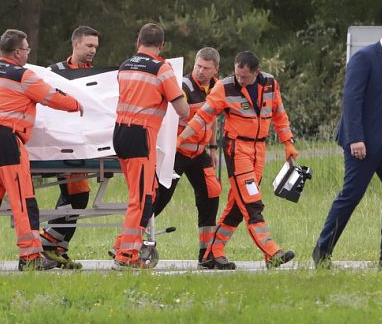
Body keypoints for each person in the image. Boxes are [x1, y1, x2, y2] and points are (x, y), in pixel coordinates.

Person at [0, 29, 84, 271]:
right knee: (24, 202)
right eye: (26, 49)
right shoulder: (23, 76)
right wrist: (76, 104)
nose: (28, 53)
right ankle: (30, 257)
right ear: (16, 52)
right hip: (7, 144)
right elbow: (51, 97)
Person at [180, 51, 297, 270]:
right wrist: (181, 138)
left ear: (256, 72)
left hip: (259, 149)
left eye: (244, 77)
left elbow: (279, 114)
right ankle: (271, 251)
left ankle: (212, 251)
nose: (239, 80)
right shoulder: (224, 87)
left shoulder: (270, 84)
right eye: (236, 75)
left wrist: (288, 142)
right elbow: (203, 116)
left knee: (237, 206)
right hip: (237, 150)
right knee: (252, 202)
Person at [313, 11, 382, 268]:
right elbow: (352, 99)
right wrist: (356, 138)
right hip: (363, 142)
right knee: (351, 196)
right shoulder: (364, 58)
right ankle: (322, 252)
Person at [112, 23, 190, 269]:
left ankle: (124, 243)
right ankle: (125, 256)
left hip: (120, 134)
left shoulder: (125, 66)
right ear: (162, 45)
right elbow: (182, 110)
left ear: (138, 42)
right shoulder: (161, 69)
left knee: (147, 191)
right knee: (142, 199)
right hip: (141, 136)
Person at [152, 47, 223, 267]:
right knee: (160, 195)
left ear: (215, 69)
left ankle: (207, 254)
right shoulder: (183, 86)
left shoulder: (217, 88)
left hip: (199, 152)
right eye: (198, 66)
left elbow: (211, 120)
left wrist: (212, 149)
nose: (200, 71)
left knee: (212, 193)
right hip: (176, 151)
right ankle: (127, 244)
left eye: (206, 68)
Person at [41, 25, 100, 270]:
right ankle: (48, 241)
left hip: (85, 145)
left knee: (76, 196)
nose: (93, 51)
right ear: (75, 44)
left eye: (96, 47)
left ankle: (56, 248)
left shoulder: (97, 74)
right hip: (62, 144)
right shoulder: (54, 72)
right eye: (89, 46)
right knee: (77, 195)